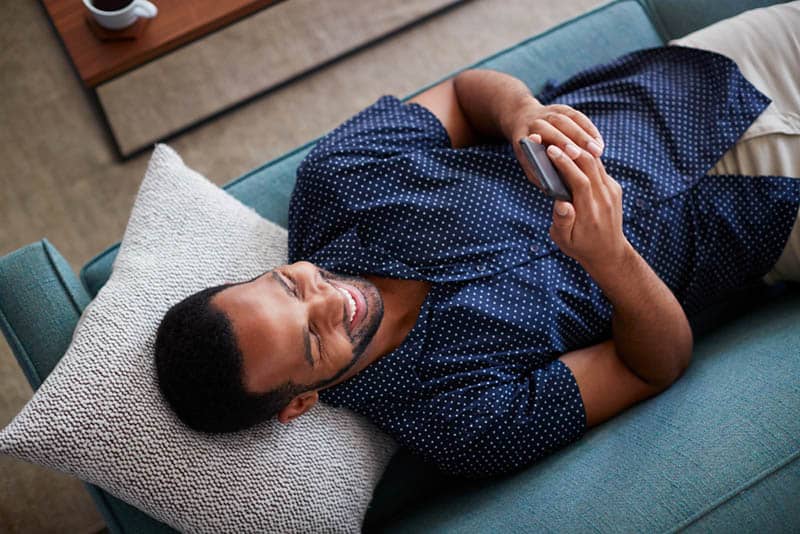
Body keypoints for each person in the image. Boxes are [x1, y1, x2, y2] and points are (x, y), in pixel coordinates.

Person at [154, 3, 800, 478]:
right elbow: (653, 366)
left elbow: (465, 93)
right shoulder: (460, 423)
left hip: (707, 77)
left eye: (288, 284)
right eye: (310, 339)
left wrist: (520, 114)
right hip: (764, 221)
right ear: (301, 402)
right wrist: (612, 260)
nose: (329, 298)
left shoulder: (339, 182)